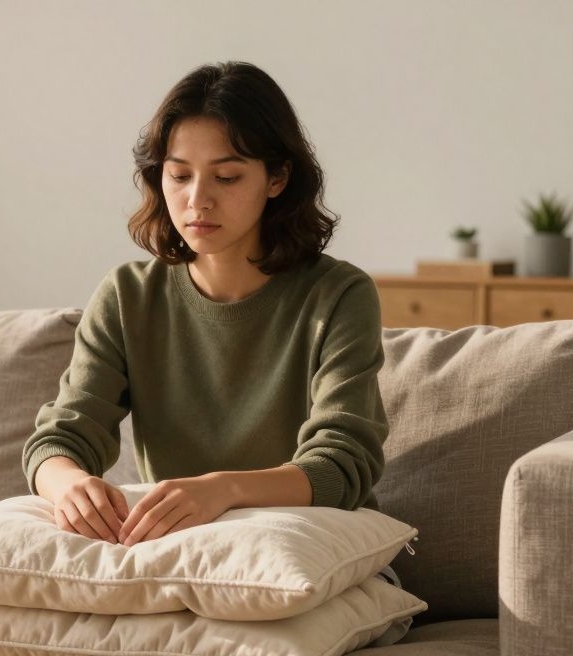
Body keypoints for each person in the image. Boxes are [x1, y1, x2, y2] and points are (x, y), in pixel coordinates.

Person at [23, 61, 389, 548]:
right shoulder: (127, 296)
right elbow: (61, 437)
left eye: (228, 177)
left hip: (310, 546)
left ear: (277, 178)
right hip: (180, 555)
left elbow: (342, 464)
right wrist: (68, 484)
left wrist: (225, 489)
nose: (198, 200)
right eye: (179, 175)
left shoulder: (339, 295)